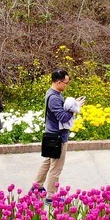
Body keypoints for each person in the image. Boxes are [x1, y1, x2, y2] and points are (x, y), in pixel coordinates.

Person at [32, 69, 83, 202]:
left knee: (48, 162)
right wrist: (75, 108)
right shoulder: (54, 98)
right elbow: (63, 117)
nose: (67, 85)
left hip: (51, 135)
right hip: (57, 137)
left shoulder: (53, 93)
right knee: (56, 168)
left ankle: (37, 187)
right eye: (66, 83)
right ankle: (51, 196)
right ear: (58, 82)